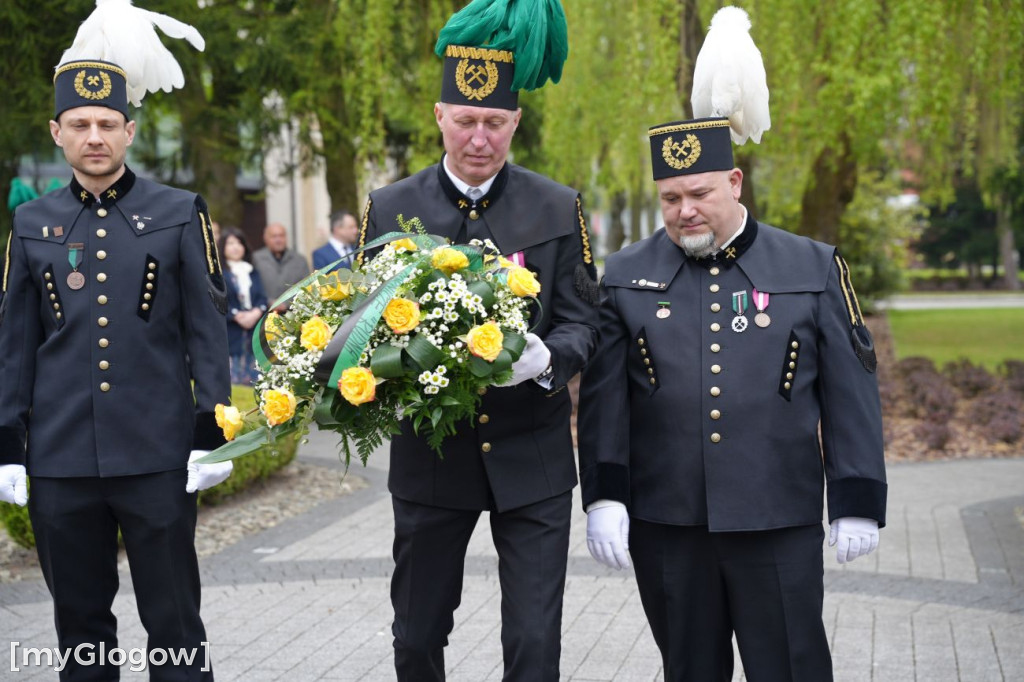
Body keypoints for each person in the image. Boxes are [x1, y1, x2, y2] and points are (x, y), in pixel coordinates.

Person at [577, 119, 888, 681]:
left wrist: (857, 497)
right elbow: (605, 401)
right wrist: (605, 497)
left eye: (700, 193)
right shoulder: (625, 275)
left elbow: (851, 391)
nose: (684, 210)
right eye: (670, 198)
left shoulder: (811, 267)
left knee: (792, 668)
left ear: (735, 182)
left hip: (777, 518)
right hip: (667, 522)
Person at [357, 2, 598, 679]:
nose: (480, 138)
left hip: (535, 458)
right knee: (417, 635)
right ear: (440, 116)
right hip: (432, 463)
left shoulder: (558, 206)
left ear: (516, 121)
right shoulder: (389, 207)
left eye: (495, 122)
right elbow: (360, 323)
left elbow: (587, 318)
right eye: (466, 120)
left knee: (533, 643)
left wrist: (550, 358)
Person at [0, 7, 234, 680]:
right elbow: (15, 340)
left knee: (175, 625)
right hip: (62, 460)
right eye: (79, 124)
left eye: (107, 124)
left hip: (157, 457)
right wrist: (7, 443)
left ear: (130, 130)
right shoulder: (33, 221)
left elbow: (205, 327)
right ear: (57, 132)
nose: (94, 136)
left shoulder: (177, 211)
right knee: (81, 633)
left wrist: (212, 429)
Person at [219, 226, 268, 385]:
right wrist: (236, 315)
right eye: (230, 243)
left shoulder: (252, 271)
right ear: (222, 247)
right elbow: (218, 300)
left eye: (239, 243)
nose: (235, 247)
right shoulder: (218, 274)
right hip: (231, 334)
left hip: (253, 333)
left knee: (255, 382)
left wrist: (255, 313)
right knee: (233, 384)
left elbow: (261, 298)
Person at [252, 221, 310, 312]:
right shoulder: (256, 259)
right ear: (265, 238)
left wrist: (286, 303)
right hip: (263, 314)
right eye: (274, 236)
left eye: (281, 236)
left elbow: (307, 286)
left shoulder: (299, 260)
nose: (278, 240)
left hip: (293, 314)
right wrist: (268, 301)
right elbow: (252, 287)